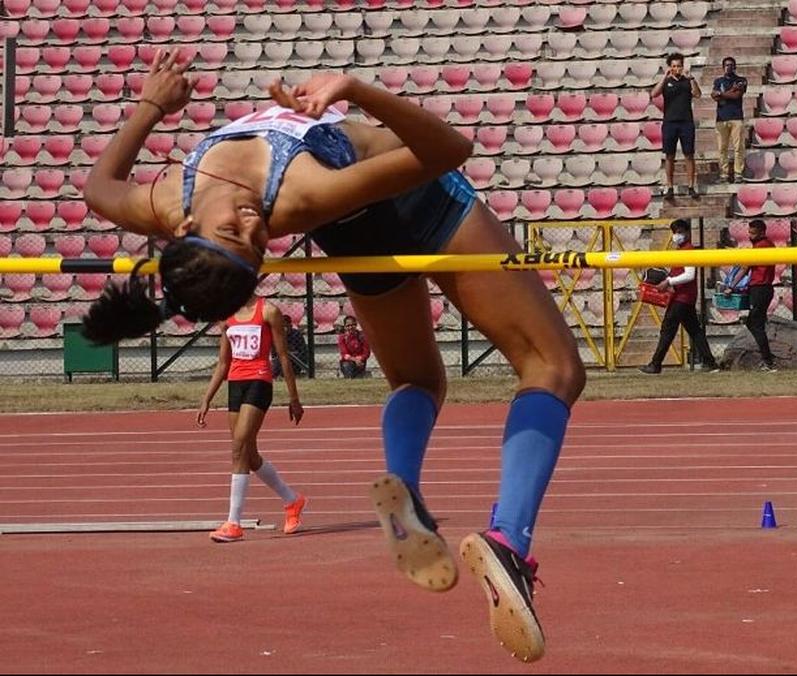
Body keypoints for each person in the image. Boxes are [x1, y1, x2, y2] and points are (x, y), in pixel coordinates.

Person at [79, 48, 586, 663]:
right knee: (553, 367)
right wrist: (357, 90)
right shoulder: (293, 196)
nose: (254, 225)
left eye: (245, 235)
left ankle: (403, 481)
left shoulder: (167, 199)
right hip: (420, 201)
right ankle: (509, 539)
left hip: (356, 222)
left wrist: (150, 108)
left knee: (416, 380)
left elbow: (99, 188)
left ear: (184, 228)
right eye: (257, 243)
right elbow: (450, 151)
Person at [197, 295, 306, 543]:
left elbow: (284, 356)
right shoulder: (227, 316)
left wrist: (294, 398)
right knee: (249, 454)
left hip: (259, 381)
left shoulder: (268, 311)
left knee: (238, 448)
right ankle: (292, 500)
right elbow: (223, 363)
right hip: (236, 384)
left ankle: (234, 523)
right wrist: (207, 399)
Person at [639, 219, 719, 374]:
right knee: (695, 331)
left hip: (682, 297)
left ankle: (655, 364)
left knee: (668, 330)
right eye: (675, 233)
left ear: (688, 233)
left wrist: (668, 281)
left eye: (680, 232)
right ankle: (710, 363)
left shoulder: (688, 250)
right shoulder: (681, 250)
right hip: (683, 297)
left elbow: (689, 275)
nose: (677, 236)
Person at [725, 219, 777, 371]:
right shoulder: (766, 244)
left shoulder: (761, 246)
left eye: (753, 233)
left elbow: (744, 269)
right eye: (749, 232)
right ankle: (767, 358)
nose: (750, 235)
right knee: (756, 324)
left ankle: (768, 360)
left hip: (760, 289)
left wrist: (731, 286)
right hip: (760, 288)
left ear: (762, 232)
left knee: (754, 324)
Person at [650, 52, 701, 201]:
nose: (676, 69)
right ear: (669, 67)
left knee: (689, 155)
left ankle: (691, 186)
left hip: (686, 122)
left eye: (679, 66)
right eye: (674, 66)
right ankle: (670, 187)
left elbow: (697, 94)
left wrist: (691, 78)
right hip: (670, 123)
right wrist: (664, 78)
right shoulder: (666, 82)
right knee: (669, 156)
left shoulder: (687, 80)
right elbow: (654, 94)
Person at [711, 56, 747, 183]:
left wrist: (722, 94)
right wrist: (728, 92)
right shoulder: (718, 81)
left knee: (738, 147)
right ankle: (724, 174)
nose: (729, 67)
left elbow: (737, 95)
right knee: (722, 148)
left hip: (737, 117)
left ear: (735, 66)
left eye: (731, 65)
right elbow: (714, 96)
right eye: (726, 65)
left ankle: (738, 173)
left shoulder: (741, 80)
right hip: (721, 118)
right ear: (723, 67)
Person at [270, 313, 309, 378]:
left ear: (290, 325)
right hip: (279, 362)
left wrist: (291, 351)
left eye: (285, 326)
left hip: (295, 363)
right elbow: (274, 354)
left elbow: (303, 353)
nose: (283, 328)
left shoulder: (296, 334)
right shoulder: (277, 335)